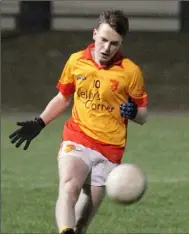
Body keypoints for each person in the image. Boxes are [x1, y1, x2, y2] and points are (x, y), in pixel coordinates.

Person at [9, 10, 148, 234]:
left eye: (114, 44)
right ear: (94, 34)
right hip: (78, 137)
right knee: (69, 186)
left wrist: (133, 112)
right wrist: (40, 122)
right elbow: (63, 97)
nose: (106, 48)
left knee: (82, 224)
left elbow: (143, 115)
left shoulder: (130, 72)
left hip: (110, 150)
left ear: (121, 42)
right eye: (103, 40)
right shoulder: (76, 61)